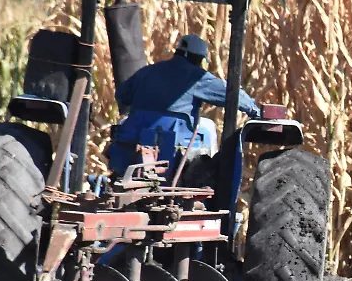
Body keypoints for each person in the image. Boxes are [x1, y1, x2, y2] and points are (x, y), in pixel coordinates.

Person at [107, 34, 261, 176]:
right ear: (197, 58)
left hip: (134, 136)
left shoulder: (147, 71)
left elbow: (122, 95)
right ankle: (210, 180)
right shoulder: (196, 76)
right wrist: (256, 112)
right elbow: (232, 93)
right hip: (174, 142)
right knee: (208, 127)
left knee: (125, 122)